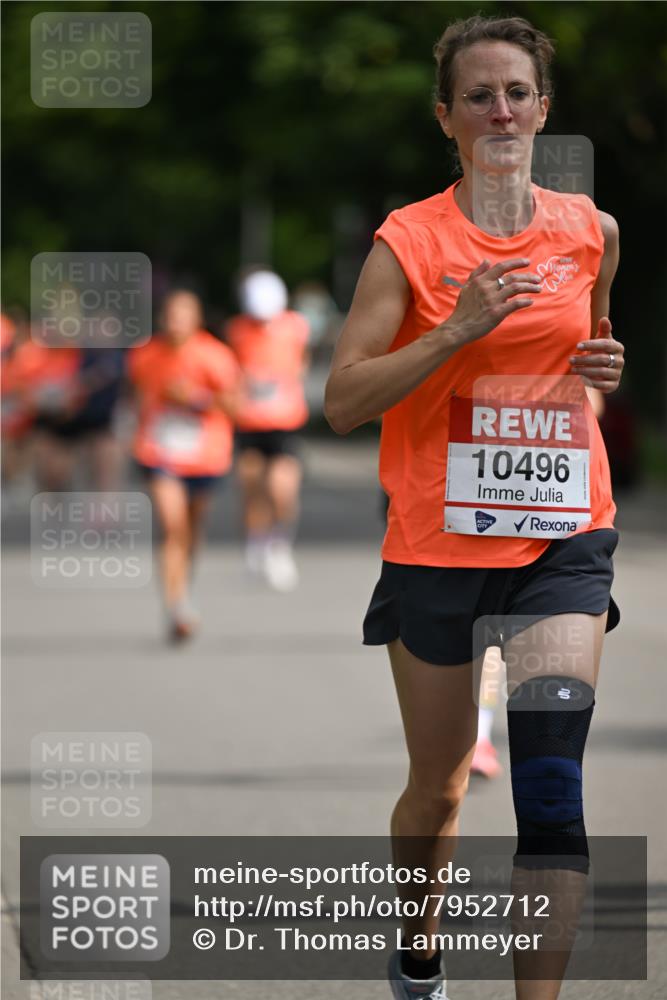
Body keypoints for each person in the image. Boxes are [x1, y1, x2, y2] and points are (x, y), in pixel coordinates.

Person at [325, 14, 624, 1000]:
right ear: (445, 116)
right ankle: (417, 951)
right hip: (435, 543)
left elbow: (586, 355)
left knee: (547, 783)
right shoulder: (407, 241)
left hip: (561, 534)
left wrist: (602, 370)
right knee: (441, 787)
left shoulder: (590, 232)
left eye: (516, 92)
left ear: (542, 108)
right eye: (478, 95)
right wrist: (454, 330)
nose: (500, 109)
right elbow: (343, 400)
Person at [128, 290, 241, 642]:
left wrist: (195, 398)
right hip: (160, 453)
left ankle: (183, 587)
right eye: (169, 314)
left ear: (197, 319)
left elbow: (236, 407)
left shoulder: (215, 356)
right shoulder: (145, 355)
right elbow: (137, 398)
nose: (174, 321)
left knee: (191, 529)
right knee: (172, 526)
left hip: (205, 454)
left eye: (182, 314)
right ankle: (175, 605)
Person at [225, 269, 310, 591]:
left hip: (284, 422)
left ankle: (279, 545)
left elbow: (301, 363)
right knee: (250, 486)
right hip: (248, 422)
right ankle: (255, 542)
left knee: (281, 489)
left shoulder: (295, 327)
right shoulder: (237, 329)